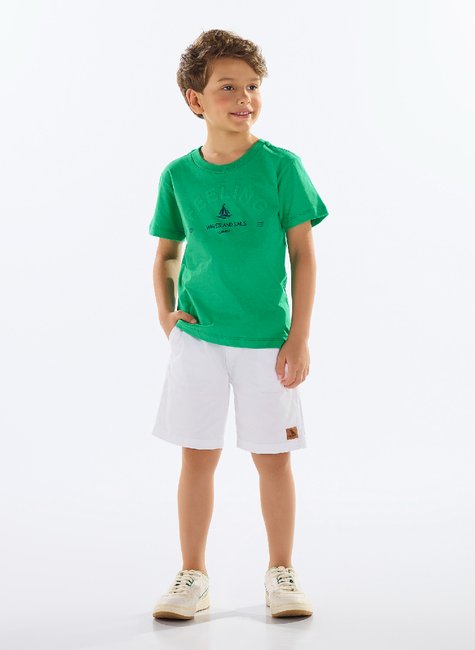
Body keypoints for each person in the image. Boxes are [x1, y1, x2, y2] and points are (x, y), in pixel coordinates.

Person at [149, 29, 329, 620]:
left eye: (252, 86)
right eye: (227, 87)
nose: (244, 98)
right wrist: (167, 313)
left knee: (272, 459)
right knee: (197, 456)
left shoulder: (281, 167)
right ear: (194, 98)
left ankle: (281, 572)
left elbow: (303, 254)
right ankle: (192, 576)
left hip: (266, 343)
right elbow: (167, 253)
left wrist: (299, 336)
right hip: (199, 339)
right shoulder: (178, 176)